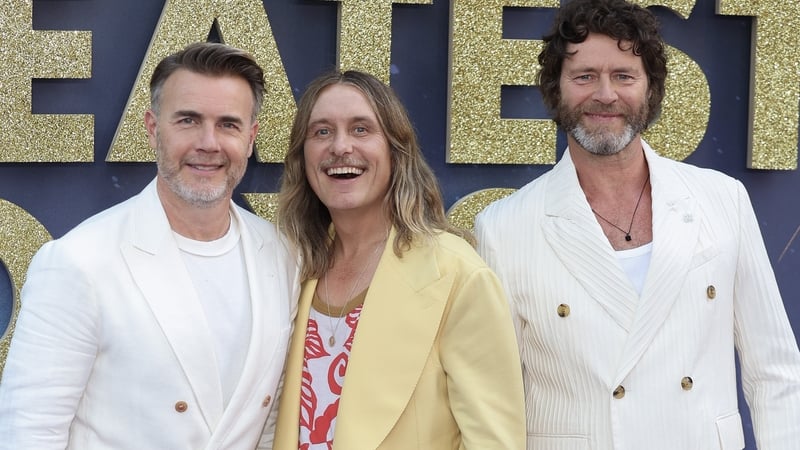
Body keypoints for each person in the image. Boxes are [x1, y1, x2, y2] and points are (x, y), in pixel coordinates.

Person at [476, 0, 800, 448]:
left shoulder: (721, 199)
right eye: (584, 76)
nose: (605, 95)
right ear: (556, 88)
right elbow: (494, 400)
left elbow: (776, 372)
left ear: (650, 89)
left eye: (624, 76)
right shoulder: (503, 227)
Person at [0, 42, 299, 449]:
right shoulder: (79, 262)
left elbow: (270, 425)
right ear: (153, 128)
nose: (208, 143)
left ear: (250, 138)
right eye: (188, 120)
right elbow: (28, 433)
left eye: (228, 124)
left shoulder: (283, 256)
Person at [272, 69, 525, 449]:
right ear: (302, 155)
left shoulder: (456, 274)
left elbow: (494, 442)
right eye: (321, 131)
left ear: (396, 150)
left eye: (361, 129)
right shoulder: (292, 266)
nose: (340, 146)